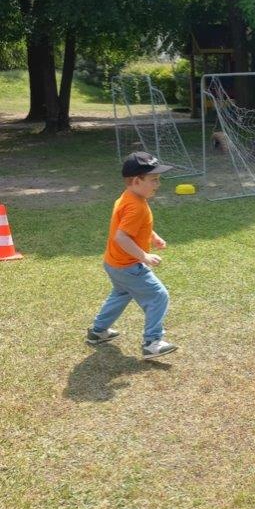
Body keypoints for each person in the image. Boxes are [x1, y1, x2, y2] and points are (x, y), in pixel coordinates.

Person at [87, 151, 177, 359]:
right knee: (158, 295)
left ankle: (98, 331)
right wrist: (144, 256)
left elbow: (133, 227)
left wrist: (152, 236)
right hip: (128, 266)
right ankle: (152, 342)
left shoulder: (128, 197)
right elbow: (122, 237)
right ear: (137, 181)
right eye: (154, 180)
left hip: (113, 263)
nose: (158, 184)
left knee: (121, 294)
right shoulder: (136, 206)